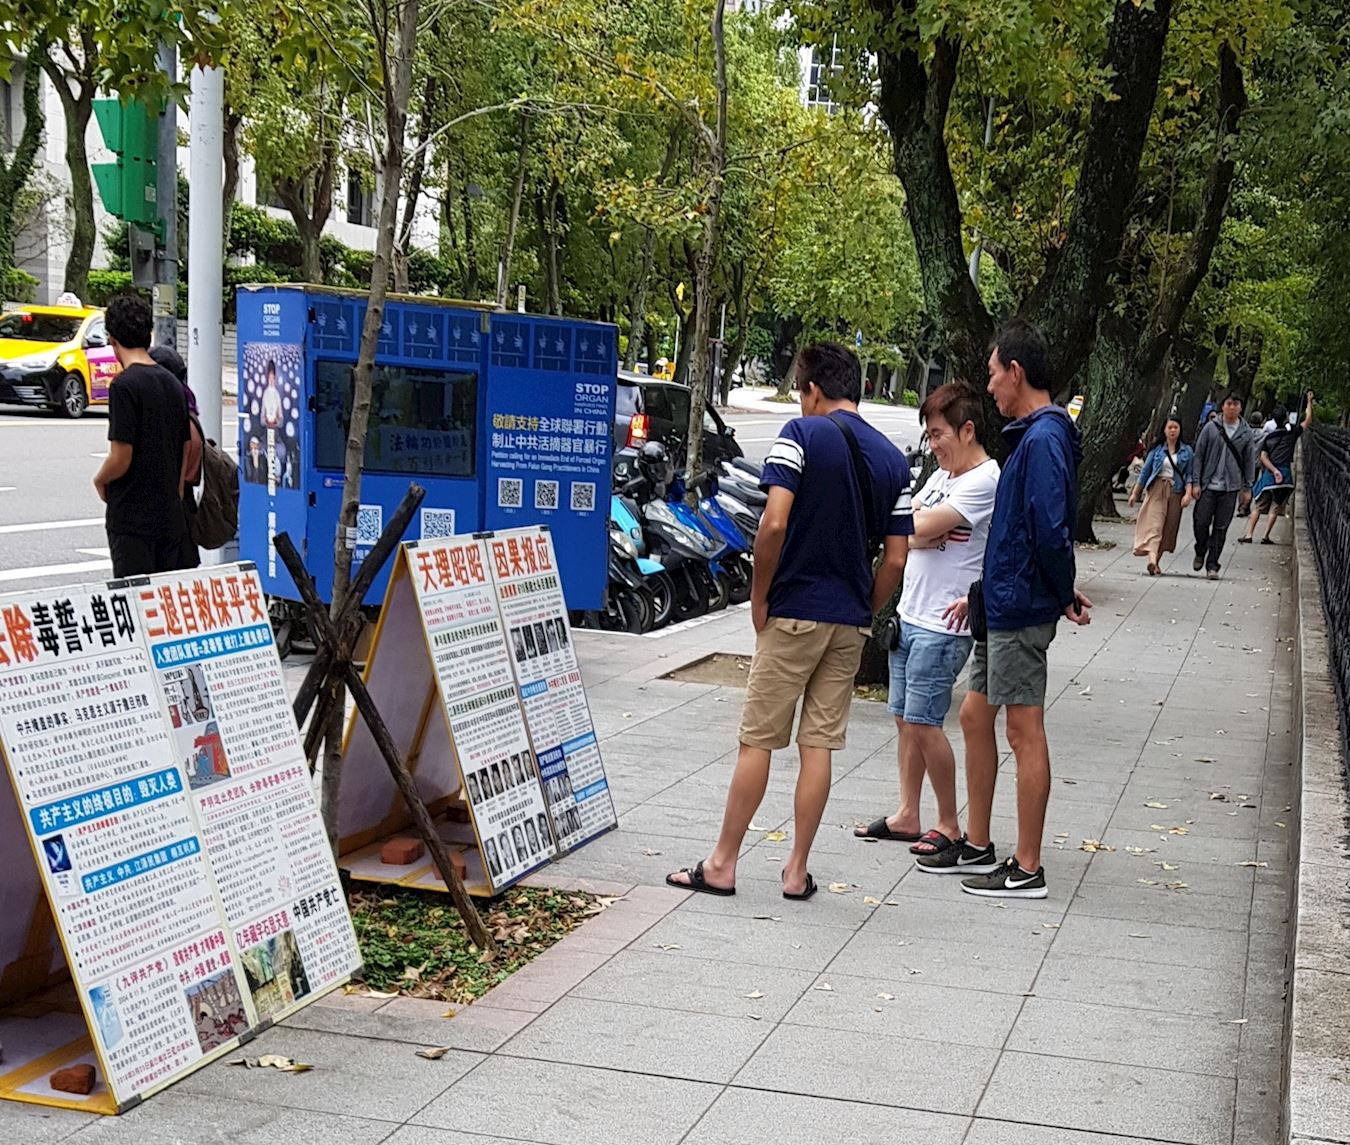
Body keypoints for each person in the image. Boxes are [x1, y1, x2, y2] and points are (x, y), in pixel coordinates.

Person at [667, 341, 912, 900]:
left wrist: (759, 596)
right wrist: (865, 608)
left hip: (794, 610)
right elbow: (896, 557)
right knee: (818, 746)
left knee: (758, 740)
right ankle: (796, 871)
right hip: (848, 622)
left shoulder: (801, 436)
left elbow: (773, 524)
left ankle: (724, 863)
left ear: (813, 390)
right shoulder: (893, 460)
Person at [920, 320, 1091, 897]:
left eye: (993, 374)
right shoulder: (1035, 435)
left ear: (1016, 372)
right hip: (1004, 602)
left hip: (1020, 605)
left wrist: (1060, 590)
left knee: (1024, 730)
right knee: (973, 714)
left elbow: (1048, 529)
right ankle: (979, 841)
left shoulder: (1044, 439)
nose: (990, 386)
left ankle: (1027, 867)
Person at [853, 382, 999, 859]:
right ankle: (908, 812)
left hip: (944, 622)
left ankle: (949, 823)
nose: (932, 445)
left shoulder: (984, 480)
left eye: (938, 434)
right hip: (910, 613)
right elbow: (909, 519)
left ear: (967, 429)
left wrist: (915, 528)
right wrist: (915, 526)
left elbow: (913, 526)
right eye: (929, 435)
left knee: (924, 722)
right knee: (902, 717)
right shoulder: (941, 476)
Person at [93, 295, 198, 577]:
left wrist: (100, 479)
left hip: (132, 520)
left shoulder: (124, 386)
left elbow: (121, 456)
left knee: (135, 600)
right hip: (169, 517)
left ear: (112, 339)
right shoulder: (173, 384)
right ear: (148, 335)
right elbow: (184, 449)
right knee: (163, 605)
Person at [1190, 391, 1257, 580]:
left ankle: (1213, 565)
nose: (1232, 407)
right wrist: (1196, 482)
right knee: (1200, 521)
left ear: (1240, 408)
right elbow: (1199, 456)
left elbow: (1249, 461)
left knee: (1221, 527)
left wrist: (1247, 487)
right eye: (1229, 403)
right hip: (1208, 485)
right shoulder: (1211, 428)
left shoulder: (1245, 433)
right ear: (1223, 406)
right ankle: (1200, 549)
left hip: (1230, 487)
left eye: (1236, 404)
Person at [1242, 391, 1315, 545]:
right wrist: (1309, 402)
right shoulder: (1292, 434)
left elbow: (1263, 457)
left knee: (1258, 506)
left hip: (1269, 476)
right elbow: (1307, 420)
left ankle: (1249, 534)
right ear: (1286, 417)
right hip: (1285, 475)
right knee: (1275, 507)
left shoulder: (1269, 438)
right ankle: (1266, 536)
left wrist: (1273, 470)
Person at [1127, 416, 1195, 575]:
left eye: (1175, 427)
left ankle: (1155, 562)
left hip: (1175, 490)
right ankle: (1151, 560)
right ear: (1164, 430)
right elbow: (1145, 472)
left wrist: (1188, 493)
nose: (1172, 430)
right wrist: (1135, 493)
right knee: (1154, 525)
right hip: (1157, 489)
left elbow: (1190, 474)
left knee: (1168, 527)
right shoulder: (1157, 450)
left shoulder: (1187, 451)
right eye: (1169, 427)